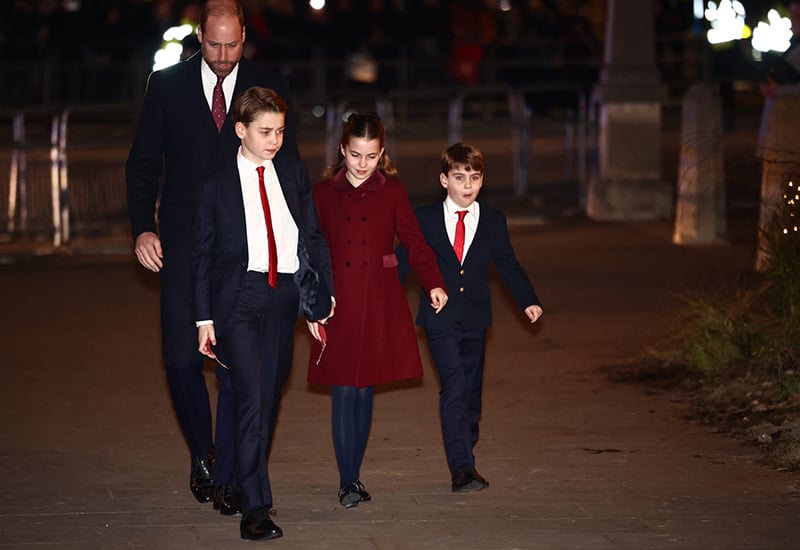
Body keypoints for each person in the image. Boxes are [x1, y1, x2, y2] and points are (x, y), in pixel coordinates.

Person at [125, 0, 299, 515]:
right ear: (200, 34)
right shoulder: (168, 86)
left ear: (245, 35)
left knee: (237, 366)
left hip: (245, 252)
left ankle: (234, 471)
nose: (223, 56)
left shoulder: (266, 85)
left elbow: (288, 166)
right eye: (213, 44)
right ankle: (203, 453)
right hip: (180, 245)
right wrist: (141, 228)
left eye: (232, 44)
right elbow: (141, 164)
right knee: (181, 359)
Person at [193, 87, 334, 541]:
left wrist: (318, 299)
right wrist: (203, 319)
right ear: (241, 130)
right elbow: (202, 256)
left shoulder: (292, 171)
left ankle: (231, 481)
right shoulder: (216, 184)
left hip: (284, 296)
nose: (274, 140)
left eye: (280, 131)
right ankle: (256, 509)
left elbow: (310, 238)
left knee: (268, 399)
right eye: (265, 132)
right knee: (252, 398)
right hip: (239, 298)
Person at [306, 114, 448, 508]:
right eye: (355, 155)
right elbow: (308, 250)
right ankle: (347, 479)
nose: (362, 164)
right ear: (342, 150)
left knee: (365, 388)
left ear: (382, 153)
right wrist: (311, 301)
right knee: (342, 388)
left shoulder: (393, 192)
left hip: (378, 299)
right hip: (336, 301)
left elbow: (415, 243)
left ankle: (353, 475)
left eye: (371, 156)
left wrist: (434, 281)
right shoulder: (321, 194)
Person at [397, 142, 543, 492]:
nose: (467, 185)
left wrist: (527, 300)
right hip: (439, 319)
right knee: (454, 387)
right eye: (459, 177)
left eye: (474, 178)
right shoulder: (425, 219)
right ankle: (462, 469)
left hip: (477, 318)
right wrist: (377, 300)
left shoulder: (493, 221)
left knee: (471, 395)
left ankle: (465, 438)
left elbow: (507, 263)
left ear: (482, 181)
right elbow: (405, 263)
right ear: (444, 180)